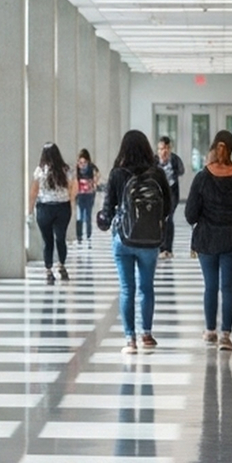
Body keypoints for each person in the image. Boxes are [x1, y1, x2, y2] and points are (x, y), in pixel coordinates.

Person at [97, 130, 172, 354]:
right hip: (150, 241)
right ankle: (146, 334)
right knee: (146, 287)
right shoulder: (157, 174)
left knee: (127, 288)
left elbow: (107, 210)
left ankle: (130, 339)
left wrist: (103, 221)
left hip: (123, 238)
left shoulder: (117, 174)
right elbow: (167, 207)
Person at [185, 129, 232, 351]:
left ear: (213, 149)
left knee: (210, 286)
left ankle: (210, 331)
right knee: (228, 287)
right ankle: (225, 336)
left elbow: (190, 214)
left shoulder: (201, 178)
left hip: (206, 240)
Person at [29, 142, 73, 282]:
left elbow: (34, 192)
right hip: (62, 207)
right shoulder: (66, 170)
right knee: (60, 238)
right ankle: (61, 265)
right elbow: (72, 188)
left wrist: (29, 211)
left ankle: (48, 270)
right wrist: (69, 201)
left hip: (44, 207)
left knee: (47, 240)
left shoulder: (39, 171)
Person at [156, 135, 186, 259]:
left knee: (169, 219)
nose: (165, 151)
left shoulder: (174, 160)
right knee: (159, 220)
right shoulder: (154, 161)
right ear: (158, 149)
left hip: (171, 193)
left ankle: (168, 248)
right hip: (158, 193)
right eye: (162, 148)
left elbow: (181, 170)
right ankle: (160, 247)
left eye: (167, 148)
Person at [74, 149, 100, 244]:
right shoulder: (77, 169)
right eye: (80, 162)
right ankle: (79, 235)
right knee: (79, 215)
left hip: (89, 194)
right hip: (80, 194)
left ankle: (89, 234)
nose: (82, 164)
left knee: (88, 215)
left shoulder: (91, 167)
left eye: (84, 162)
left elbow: (97, 174)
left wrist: (93, 184)